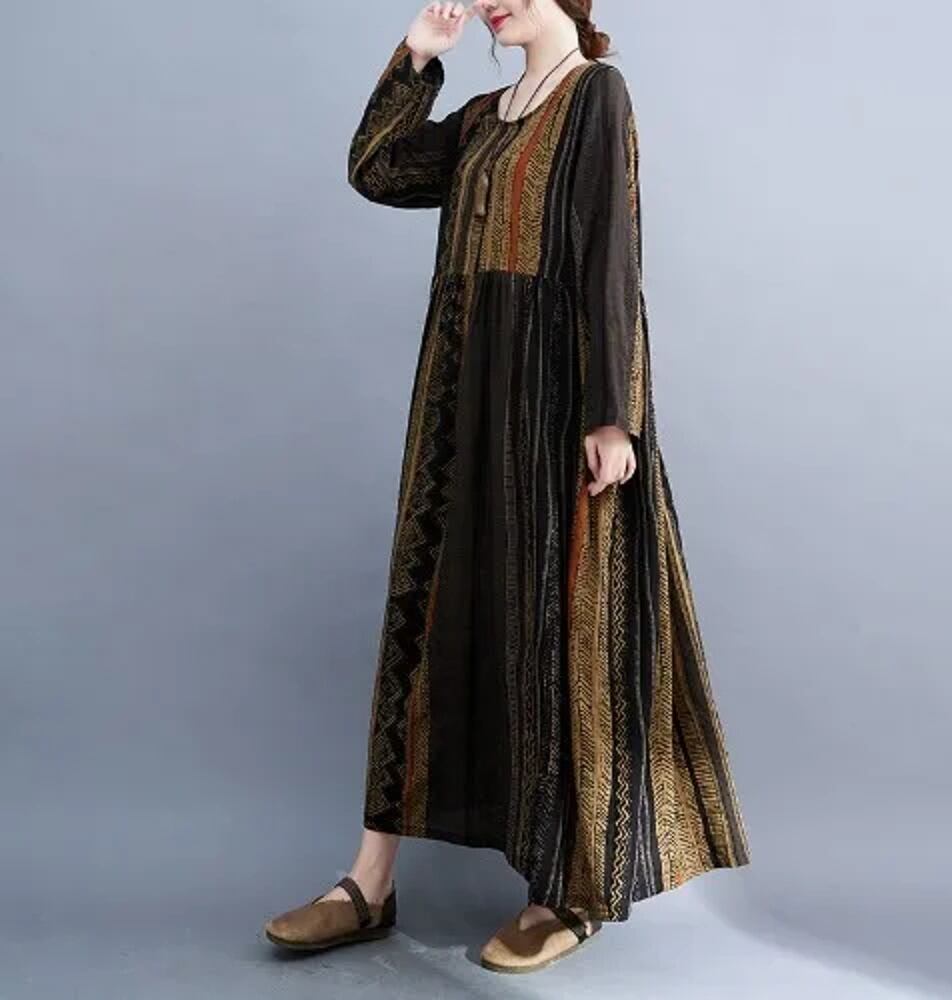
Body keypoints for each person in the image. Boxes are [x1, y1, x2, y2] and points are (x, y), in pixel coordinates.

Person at [263, 0, 750, 974]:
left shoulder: (596, 96)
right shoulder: (486, 118)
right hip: (459, 389)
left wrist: (613, 413)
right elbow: (378, 170)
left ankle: (566, 888)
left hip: (554, 396)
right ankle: (369, 882)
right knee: (427, 611)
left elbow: (611, 251)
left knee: (554, 623)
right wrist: (418, 57)